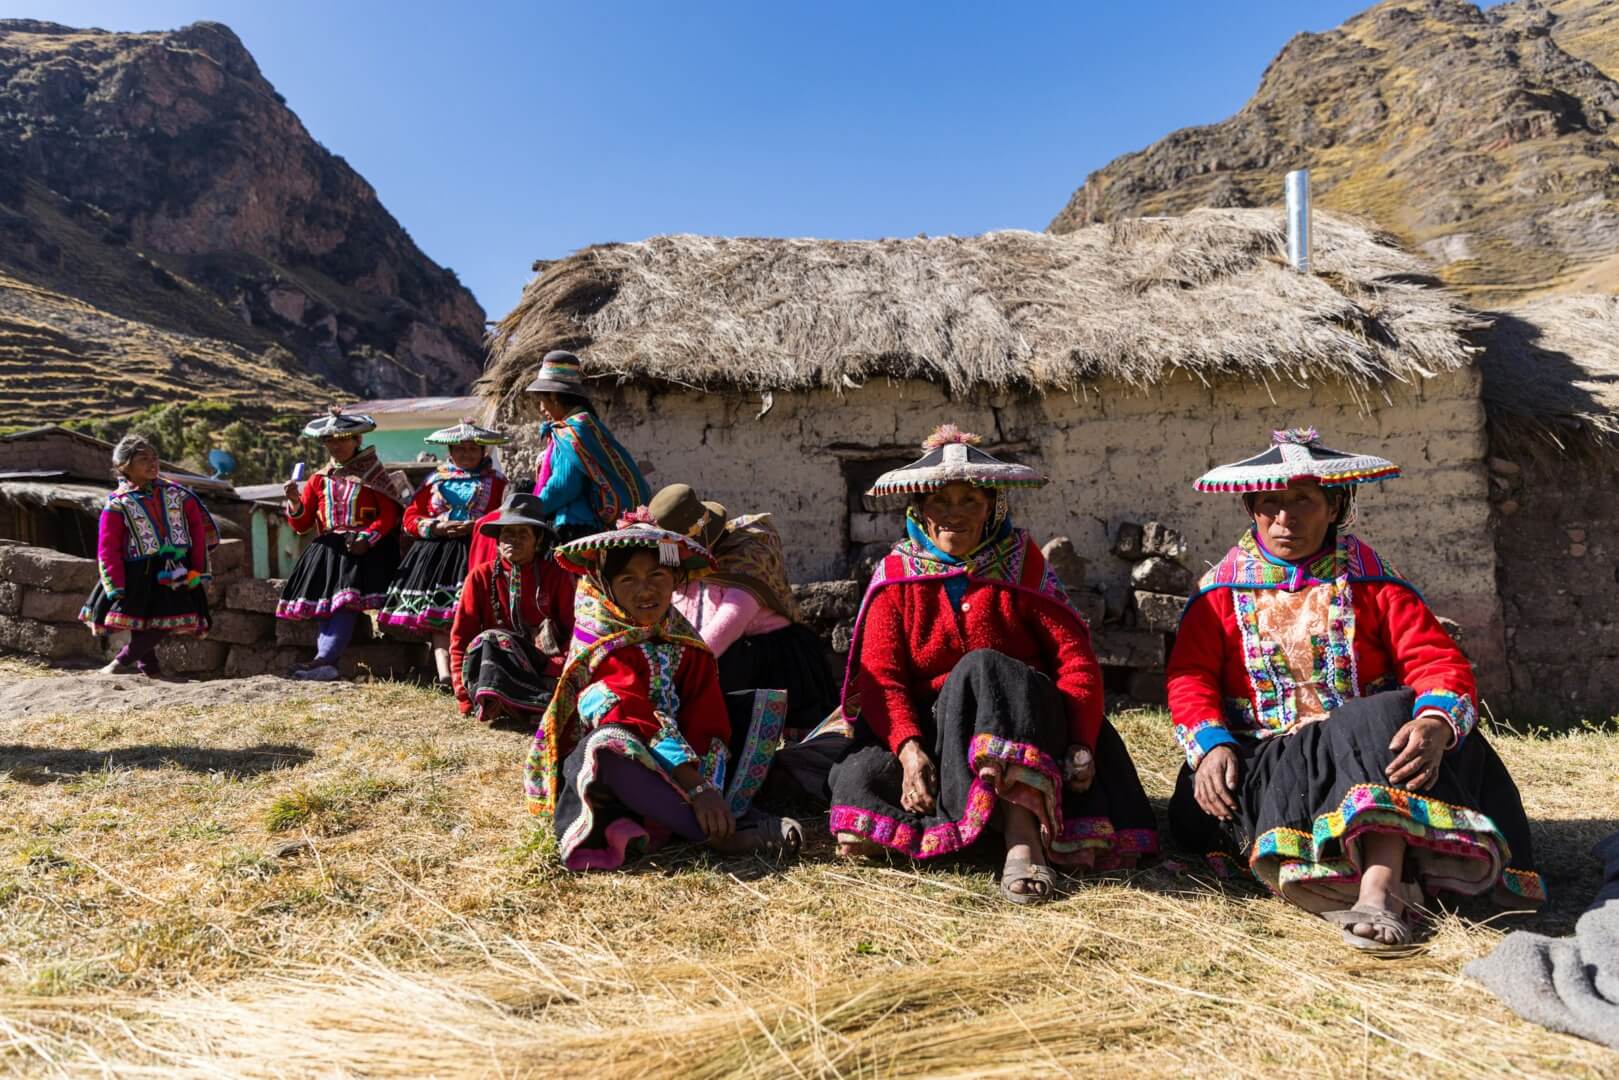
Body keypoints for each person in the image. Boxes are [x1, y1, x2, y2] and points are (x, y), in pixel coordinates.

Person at [1167, 427, 1543, 952]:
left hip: (1374, 750)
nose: (1285, 519)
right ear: (1251, 508)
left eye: (1303, 501)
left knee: (1383, 715)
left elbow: (1436, 662)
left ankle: (1380, 891)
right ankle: (1368, 871)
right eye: (1270, 504)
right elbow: (1190, 680)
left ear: (1336, 505)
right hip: (1275, 755)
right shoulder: (1220, 595)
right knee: (1204, 805)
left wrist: (1434, 723)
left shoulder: (1373, 583)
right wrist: (1210, 748)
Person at [827, 425, 1157, 904]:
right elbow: (883, 679)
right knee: (858, 793)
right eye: (940, 501)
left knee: (983, 666)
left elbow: (1075, 661)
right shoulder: (896, 578)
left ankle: (1022, 835)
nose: (953, 515)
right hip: (942, 732)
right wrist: (909, 750)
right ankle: (979, 820)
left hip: (1028, 723)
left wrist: (1083, 743)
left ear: (993, 507)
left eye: (969, 501)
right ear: (918, 508)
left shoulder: (1023, 564)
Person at [524, 510, 802, 871]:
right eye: (628, 579)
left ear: (674, 578)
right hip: (619, 777)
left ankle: (711, 814)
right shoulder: (601, 644)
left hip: (688, 766)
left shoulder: (683, 641)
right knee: (608, 746)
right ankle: (715, 835)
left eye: (657, 574)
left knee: (750, 711)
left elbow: (705, 711)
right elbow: (626, 709)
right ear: (607, 587)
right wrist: (696, 788)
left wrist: (706, 781)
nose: (646, 589)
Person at [647, 483, 838, 733]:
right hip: (720, 653)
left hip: (770, 658)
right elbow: (679, 607)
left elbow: (729, 622)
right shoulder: (687, 567)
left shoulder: (746, 555)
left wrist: (679, 667)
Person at [468, 350, 651, 565]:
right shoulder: (585, 426)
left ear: (554, 396)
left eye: (541, 400)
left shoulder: (572, 431)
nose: (541, 408)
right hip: (583, 524)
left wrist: (529, 510)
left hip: (572, 527)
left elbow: (565, 485)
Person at [277, 408, 411, 681]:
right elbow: (302, 525)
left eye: (342, 439)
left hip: (363, 550)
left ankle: (325, 658)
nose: (336, 445)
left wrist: (367, 538)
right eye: (330, 440)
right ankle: (325, 661)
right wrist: (294, 501)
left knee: (343, 603)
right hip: (327, 550)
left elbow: (389, 514)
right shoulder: (318, 479)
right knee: (326, 603)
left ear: (357, 440)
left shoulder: (373, 474)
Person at [379, 419, 510, 687]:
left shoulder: (497, 483)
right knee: (439, 617)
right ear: (450, 451)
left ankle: (474, 670)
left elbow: (505, 515)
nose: (467, 454)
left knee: (475, 612)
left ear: (483, 451)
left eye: (473, 448)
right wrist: (436, 526)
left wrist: (478, 525)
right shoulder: (434, 481)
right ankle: (446, 674)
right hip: (436, 554)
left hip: (478, 552)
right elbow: (410, 518)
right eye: (460, 449)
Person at [80, 434, 219, 676]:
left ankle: (120, 662)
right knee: (140, 621)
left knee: (174, 616)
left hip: (175, 569)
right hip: (137, 571)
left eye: (155, 458)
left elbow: (197, 533)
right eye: (144, 459)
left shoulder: (179, 495)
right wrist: (115, 583)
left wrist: (198, 569)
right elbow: (108, 546)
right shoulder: (118, 503)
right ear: (125, 466)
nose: (153, 463)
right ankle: (150, 668)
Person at [449, 493, 576, 725]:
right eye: (507, 534)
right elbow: (461, 636)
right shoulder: (480, 577)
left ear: (537, 541)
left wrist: (553, 667)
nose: (513, 541)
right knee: (489, 641)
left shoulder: (558, 576)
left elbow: (576, 632)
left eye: (522, 534)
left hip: (544, 668)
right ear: (497, 540)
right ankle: (506, 703)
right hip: (492, 665)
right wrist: (462, 695)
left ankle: (525, 703)